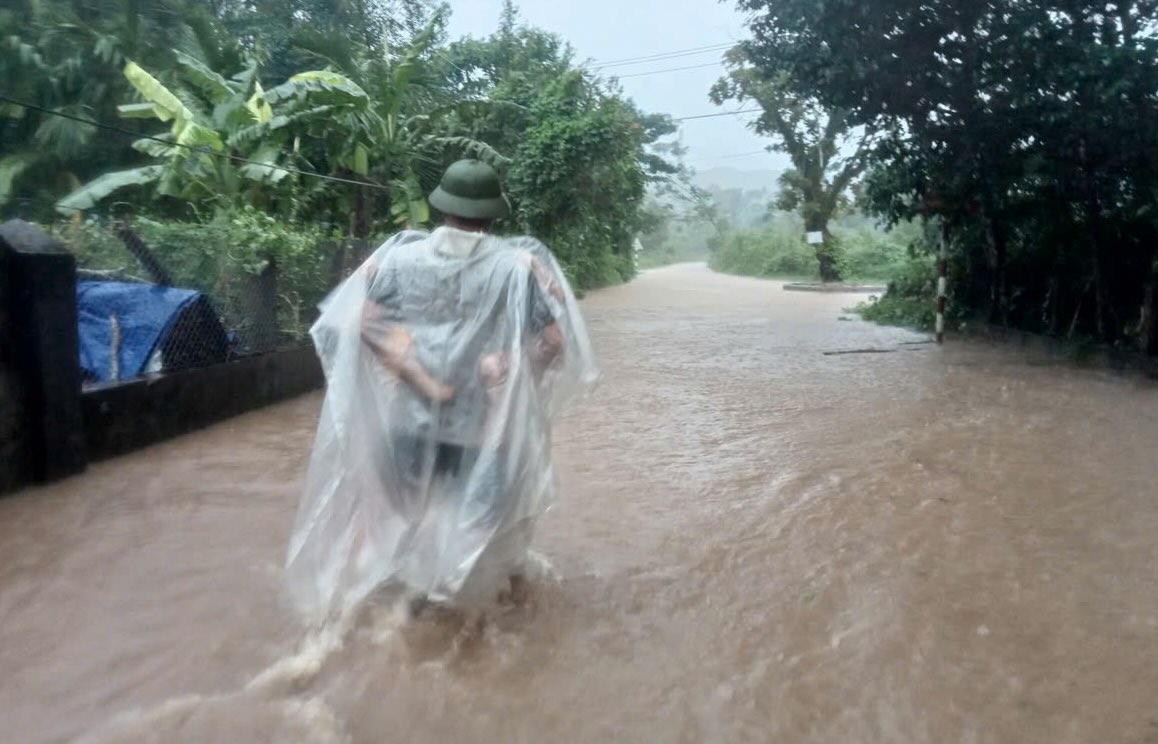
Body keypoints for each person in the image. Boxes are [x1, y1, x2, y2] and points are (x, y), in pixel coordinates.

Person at [285, 159, 598, 622]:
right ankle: (465, 622)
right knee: (478, 533)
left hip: (411, 423)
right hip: (485, 432)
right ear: (493, 215)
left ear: (442, 208)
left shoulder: (401, 259)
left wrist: (424, 380)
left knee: (402, 526)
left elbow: (357, 322)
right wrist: (509, 367)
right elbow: (554, 341)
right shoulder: (516, 269)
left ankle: (390, 623)